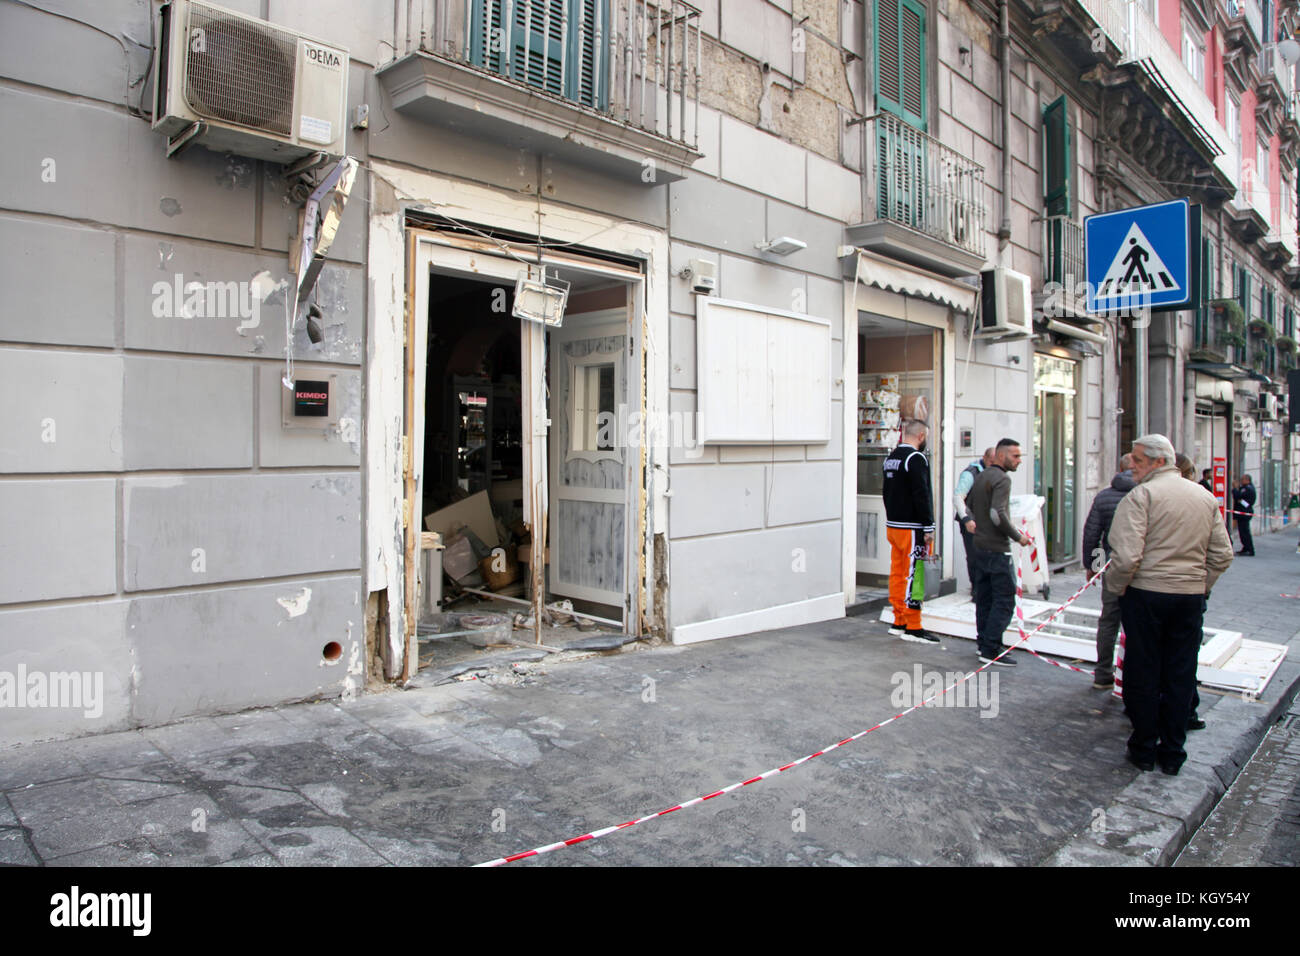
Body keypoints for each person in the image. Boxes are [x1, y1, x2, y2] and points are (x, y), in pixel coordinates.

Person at [1106, 434, 1233, 776]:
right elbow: (1222, 554)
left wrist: (1118, 588)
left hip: (1147, 593)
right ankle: (1173, 750)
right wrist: (1199, 586)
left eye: (1138, 459)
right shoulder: (1204, 498)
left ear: (1159, 462)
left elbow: (1127, 555)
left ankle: (1144, 746)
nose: (1132, 464)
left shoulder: (1142, 496)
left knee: (1143, 670)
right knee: (1180, 671)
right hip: (1188, 597)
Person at [966, 438, 1034, 667]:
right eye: (1015, 456)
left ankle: (984, 643)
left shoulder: (982, 475)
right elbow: (997, 514)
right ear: (1001, 455)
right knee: (1004, 599)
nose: (1019, 461)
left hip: (980, 546)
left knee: (985, 598)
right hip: (996, 548)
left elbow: (969, 506)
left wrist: (975, 525)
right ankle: (991, 647)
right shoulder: (1002, 479)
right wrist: (1019, 537)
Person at [1080, 454, 1135, 690]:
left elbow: (1092, 534)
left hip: (1112, 566)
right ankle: (1132, 677)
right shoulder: (1148, 494)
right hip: (1141, 569)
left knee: (1109, 620)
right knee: (1137, 623)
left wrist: (1092, 566)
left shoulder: (1104, 497)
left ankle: (1103, 673)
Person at [883, 419, 938, 644]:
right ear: (921, 436)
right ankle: (913, 625)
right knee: (915, 574)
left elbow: (887, 491)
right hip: (912, 527)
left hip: (894, 525)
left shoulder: (891, 458)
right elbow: (921, 493)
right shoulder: (915, 458)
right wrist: (928, 526)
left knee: (898, 573)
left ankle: (899, 620)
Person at [954, 447, 996, 594]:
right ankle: (977, 590)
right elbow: (958, 497)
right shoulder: (971, 473)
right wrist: (967, 519)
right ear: (984, 457)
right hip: (971, 521)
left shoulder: (993, 473)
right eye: (991, 462)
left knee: (986, 556)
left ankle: (984, 589)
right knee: (974, 556)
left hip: (985, 522)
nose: (993, 465)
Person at [1231, 475, 1256, 556]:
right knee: (1242, 532)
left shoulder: (1248, 488)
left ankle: (1249, 549)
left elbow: (1238, 496)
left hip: (1244, 512)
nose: (1241, 481)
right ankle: (1245, 548)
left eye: (1242, 479)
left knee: (1245, 532)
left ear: (1247, 480)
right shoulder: (1246, 487)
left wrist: (1235, 489)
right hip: (1243, 512)